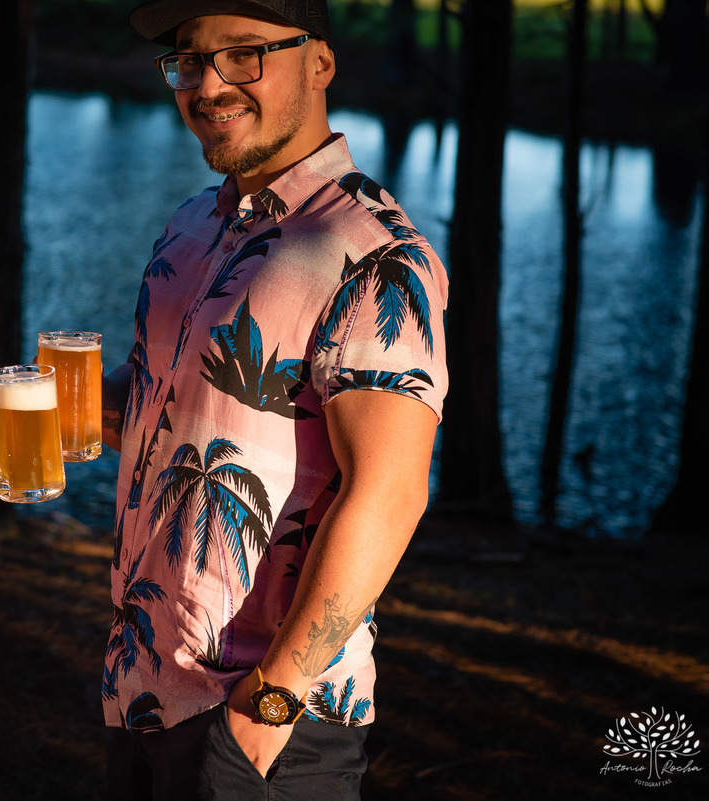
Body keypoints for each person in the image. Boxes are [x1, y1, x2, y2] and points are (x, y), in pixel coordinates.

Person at [101, 2, 449, 798]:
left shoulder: (372, 253)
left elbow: (388, 495)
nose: (209, 83)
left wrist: (270, 705)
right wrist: (38, 409)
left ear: (320, 63)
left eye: (244, 55)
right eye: (191, 60)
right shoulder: (192, 227)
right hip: (140, 690)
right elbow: (162, 408)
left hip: (266, 721)